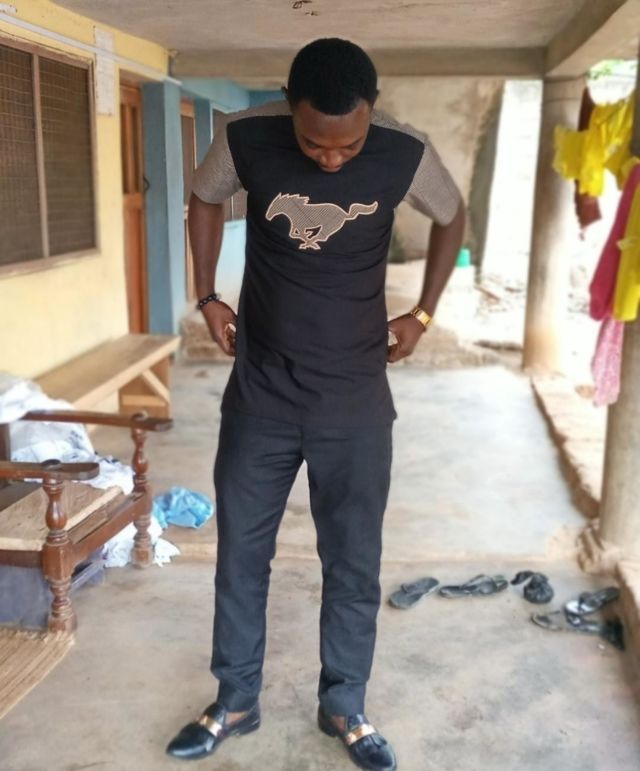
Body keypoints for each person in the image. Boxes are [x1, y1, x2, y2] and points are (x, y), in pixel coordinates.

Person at [167, 38, 464, 771]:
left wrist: (423, 313)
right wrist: (206, 295)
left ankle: (344, 704)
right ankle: (236, 699)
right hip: (261, 394)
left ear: (372, 115)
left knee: (353, 562)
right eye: (313, 143)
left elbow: (452, 215)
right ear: (288, 108)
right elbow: (203, 198)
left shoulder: (404, 150)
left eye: (348, 146)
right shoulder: (245, 136)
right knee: (241, 556)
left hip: (355, 402)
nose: (330, 159)